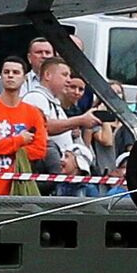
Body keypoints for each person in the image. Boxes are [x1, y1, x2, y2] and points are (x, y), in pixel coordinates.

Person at [24, 58, 98, 195]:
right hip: (44, 171)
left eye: (69, 75)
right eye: (64, 75)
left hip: (57, 169)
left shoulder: (53, 101)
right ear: (47, 75)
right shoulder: (36, 97)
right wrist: (79, 120)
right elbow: (44, 127)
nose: (69, 80)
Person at [0, 58, 46, 198]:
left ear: (24, 77)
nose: (10, 75)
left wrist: (1, 143)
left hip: (21, 187)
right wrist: (20, 140)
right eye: (6, 72)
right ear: (1, 76)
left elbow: (40, 149)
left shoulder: (33, 112)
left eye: (15, 72)